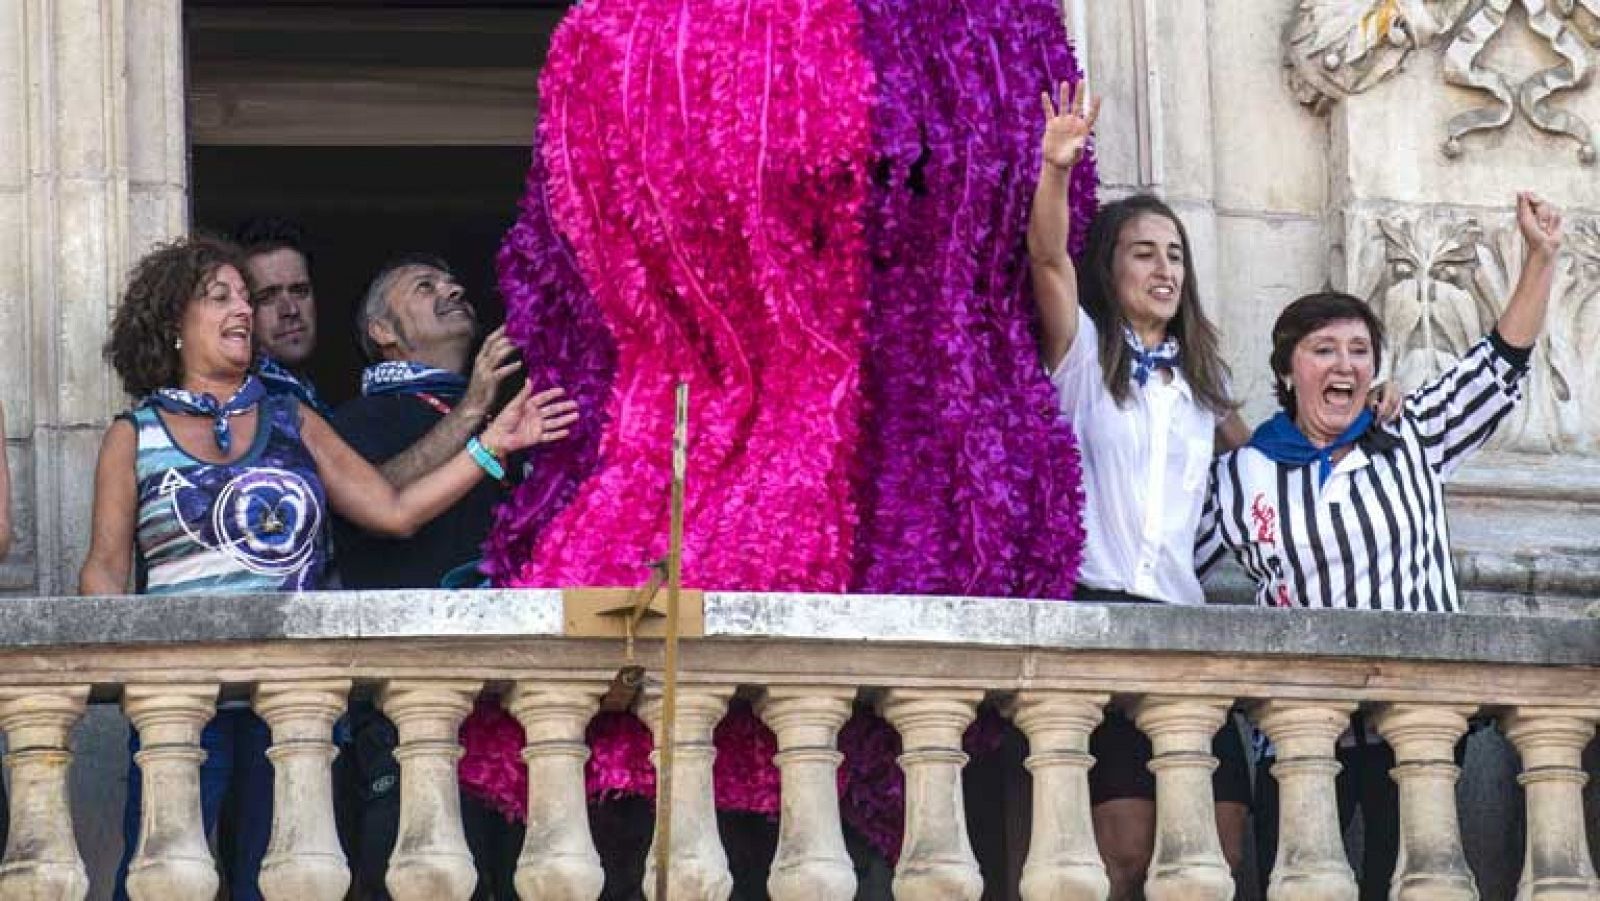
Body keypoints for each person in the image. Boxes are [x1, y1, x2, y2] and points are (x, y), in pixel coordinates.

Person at [77, 236, 571, 901]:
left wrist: (491, 445)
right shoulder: (134, 433)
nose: (243, 310)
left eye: (242, 298)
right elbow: (104, 571)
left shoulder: (293, 417)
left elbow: (391, 509)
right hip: (180, 703)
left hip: (297, 701)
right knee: (163, 878)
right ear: (171, 323)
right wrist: (126, 683)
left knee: (286, 878)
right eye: (219, 296)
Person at [1198, 192, 1561, 899]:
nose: (1345, 364)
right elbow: (1165, 564)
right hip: (1298, 734)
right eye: (1324, 349)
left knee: (1411, 885)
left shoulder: (1412, 434)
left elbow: (1501, 363)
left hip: (1416, 724)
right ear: (1287, 370)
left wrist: (1540, 260)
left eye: (1360, 351)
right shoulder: (1241, 475)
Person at [1029, 79, 1253, 897]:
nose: (1165, 268)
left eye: (1176, 254)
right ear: (1111, 266)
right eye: (1143, 251)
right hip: (1099, 614)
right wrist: (1057, 167)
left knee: (1220, 854)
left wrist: (1371, 408)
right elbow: (1046, 259)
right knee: (1121, 857)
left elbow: (1278, 464)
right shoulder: (1086, 358)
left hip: (1186, 622)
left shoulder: (1205, 384)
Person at [330, 254, 576, 901]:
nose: (454, 289)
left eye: (451, 281)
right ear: (384, 331)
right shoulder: (355, 420)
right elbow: (379, 500)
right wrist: (474, 416)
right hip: (404, 705)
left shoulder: (514, 416)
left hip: (509, 700)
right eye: (425, 287)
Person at [235, 217, 329, 415]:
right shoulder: (245, 407)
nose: (291, 310)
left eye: (300, 291)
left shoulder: (307, 392)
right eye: (267, 297)